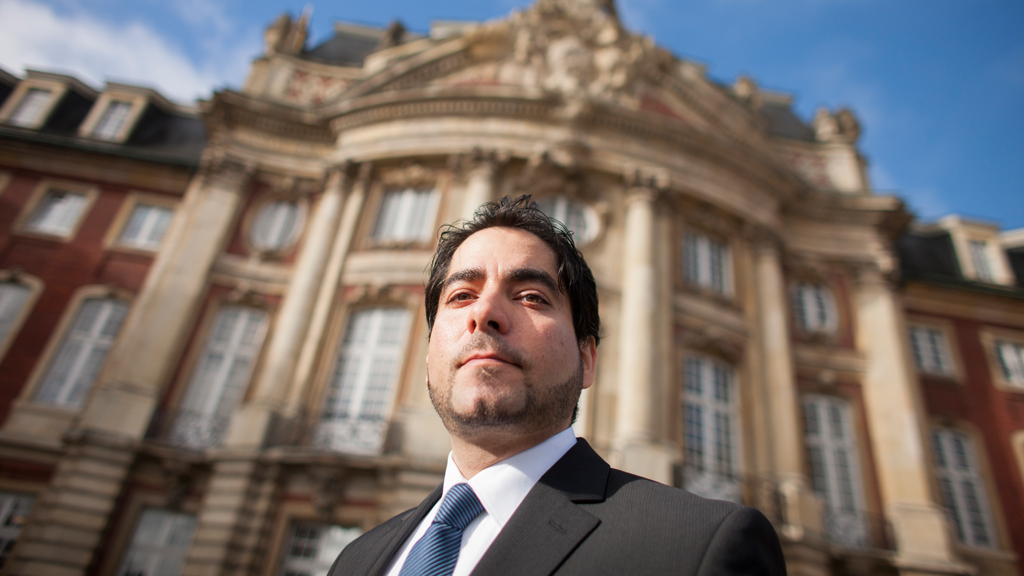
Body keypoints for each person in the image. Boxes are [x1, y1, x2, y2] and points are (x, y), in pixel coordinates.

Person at [329, 195, 786, 576]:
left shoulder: (700, 546)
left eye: (532, 296)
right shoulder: (356, 560)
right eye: (461, 295)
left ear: (587, 360)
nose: (483, 312)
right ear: (429, 357)